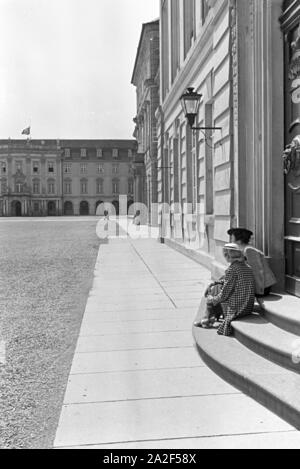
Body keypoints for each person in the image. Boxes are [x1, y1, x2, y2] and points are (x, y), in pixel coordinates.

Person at [205, 243, 256, 336]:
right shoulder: (248, 267)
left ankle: (208, 317)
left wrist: (212, 300)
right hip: (248, 307)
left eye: (225, 254)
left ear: (228, 255)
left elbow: (225, 293)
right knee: (218, 285)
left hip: (238, 309)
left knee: (215, 293)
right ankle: (209, 317)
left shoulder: (232, 269)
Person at [228, 228, 276, 297]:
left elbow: (258, 272)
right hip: (254, 285)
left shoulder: (249, 250)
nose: (231, 240)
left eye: (232, 238)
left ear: (239, 240)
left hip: (263, 287)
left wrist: (258, 291)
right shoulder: (242, 250)